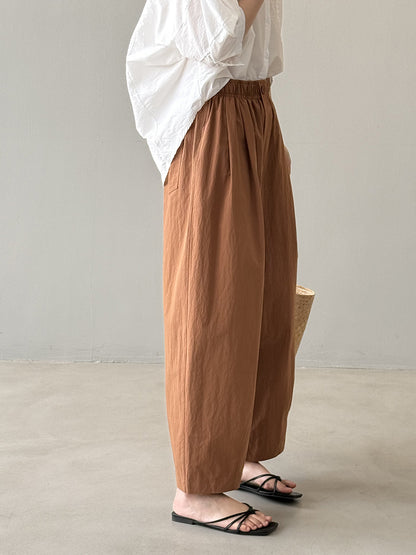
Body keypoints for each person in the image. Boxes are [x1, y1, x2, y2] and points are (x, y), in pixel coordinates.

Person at [126, 0, 302, 536]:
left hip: (256, 105)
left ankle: (240, 452)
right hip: (211, 116)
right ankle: (197, 488)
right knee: (214, 304)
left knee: (267, 295)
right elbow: (215, 37)